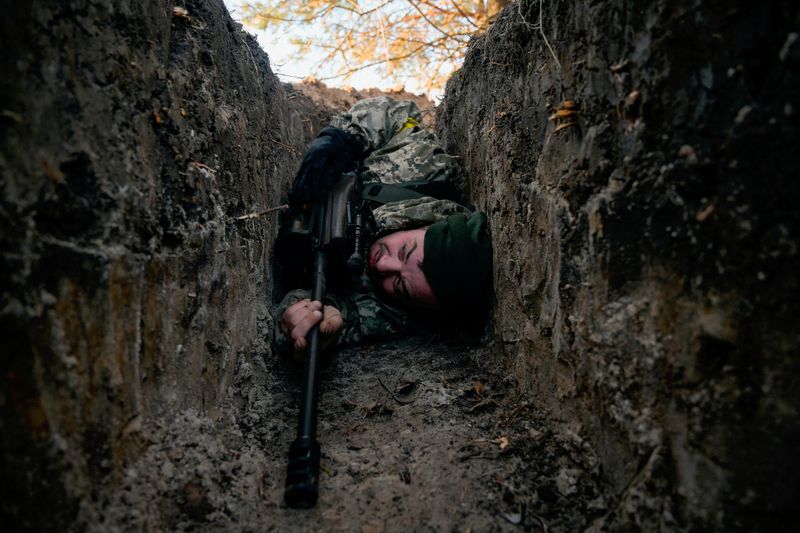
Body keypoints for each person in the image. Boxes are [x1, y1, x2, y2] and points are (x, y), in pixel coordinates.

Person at [272, 97, 492, 357]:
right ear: (426, 224)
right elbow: (400, 112)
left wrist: (303, 317)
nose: (383, 266)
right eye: (404, 251)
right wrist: (342, 138)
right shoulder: (428, 170)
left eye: (399, 285)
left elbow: (340, 316)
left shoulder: (402, 313)